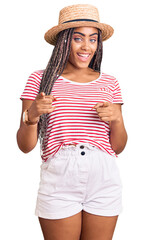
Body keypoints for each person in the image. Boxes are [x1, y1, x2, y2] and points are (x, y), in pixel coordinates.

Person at [16, 4, 127, 240]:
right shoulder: (40, 80)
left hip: (104, 177)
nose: (86, 46)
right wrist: (32, 116)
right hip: (60, 178)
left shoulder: (109, 83)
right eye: (78, 38)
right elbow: (25, 146)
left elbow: (117, 146)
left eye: (93, 39)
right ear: (64, 41)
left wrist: (117, 120)